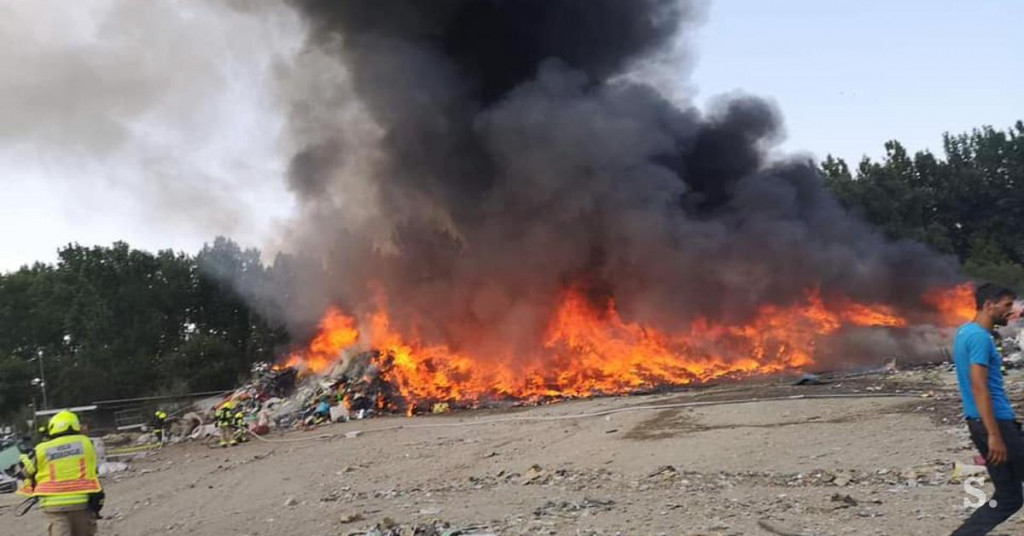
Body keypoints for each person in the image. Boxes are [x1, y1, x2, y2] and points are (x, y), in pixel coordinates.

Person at [951, 283, 1019, 535]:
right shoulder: (980, 337)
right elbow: (980, 387)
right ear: (989, 305)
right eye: (1007, 306)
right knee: (1007, 495)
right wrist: (994, 435)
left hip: (979, 422)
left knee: (1008, 497)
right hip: (996, 424)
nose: (1010, 312)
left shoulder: (965, 332)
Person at [17, 410, 103, 536]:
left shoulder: (42, 448)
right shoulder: (86, 443)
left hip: (54, 505)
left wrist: (24, 456)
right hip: (82, 502)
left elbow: (27, 470)